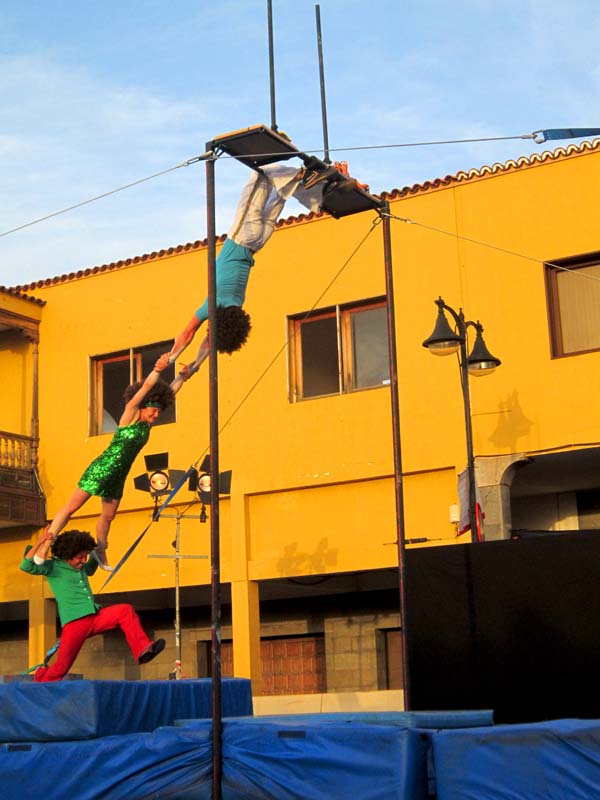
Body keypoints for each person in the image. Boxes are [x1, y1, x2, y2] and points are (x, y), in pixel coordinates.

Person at [164, 157, 366, 393]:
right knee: (259, 176)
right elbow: (189, 333)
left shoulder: (237, 304)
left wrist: (196, 365)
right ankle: (306, 176)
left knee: (281, 192)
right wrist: (170, 358)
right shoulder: (213, 303)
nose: (208, 332)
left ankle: (322, 193)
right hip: (242, 237)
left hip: (260, 240)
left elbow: (209, 343)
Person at [46, 358, 175, 570]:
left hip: (118, 475)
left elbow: (173, 390)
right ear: (142, 407)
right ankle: (46, 544)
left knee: (108, 516)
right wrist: (157, 370)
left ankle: (100, 550)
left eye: (159, 412)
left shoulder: (146, 426)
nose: (156, 414)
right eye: (153, 410)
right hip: (102, 468)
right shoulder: (130, 417)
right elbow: (146, 387)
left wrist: (188, 374)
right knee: (72, 507)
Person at [20, 528, 165, 682]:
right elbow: (26, 565)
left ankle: (143, 650)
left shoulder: (81, 567)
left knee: (125, 610)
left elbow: (89, 569)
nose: (83, 561)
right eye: (80, 557)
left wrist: (97, 553)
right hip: (75, 623)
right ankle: (39, 684)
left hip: (94, 616)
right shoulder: (53, 567)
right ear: (67, 555)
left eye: (85, 556)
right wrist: (41, 542)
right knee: (61, 667)